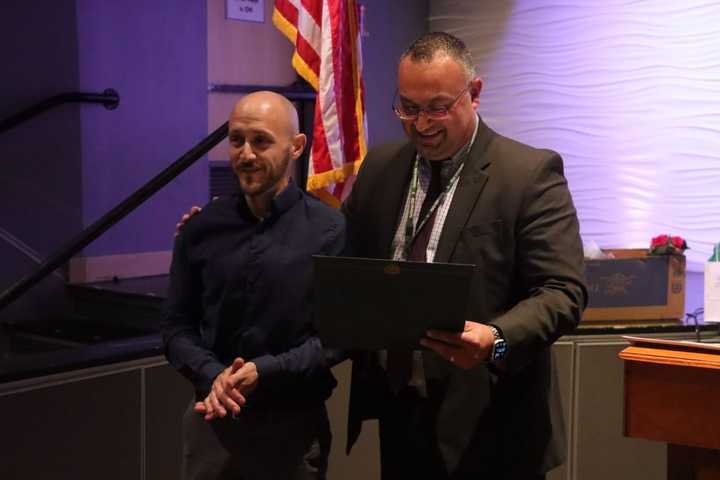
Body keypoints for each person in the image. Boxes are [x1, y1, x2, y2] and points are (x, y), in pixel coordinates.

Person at [341, 32, 587, 479]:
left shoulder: (528, 174)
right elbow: (340, 254)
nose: (421, 124)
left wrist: (496, 337)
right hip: (401, 416)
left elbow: (563, 292)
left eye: (437, 106)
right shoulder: (379, 168)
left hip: (492, 424)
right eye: (408, 108)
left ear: (474, 93)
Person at [162, 91, 346, 480]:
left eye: (261, 141)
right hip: (211, 426)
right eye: (236, 140)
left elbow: (336, 338)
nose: (246, 154)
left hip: (292, 431)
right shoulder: (200, 229)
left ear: (296, 147)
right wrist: (213, 374)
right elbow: (176, 328)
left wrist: (263, 371)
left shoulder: (329, 230)